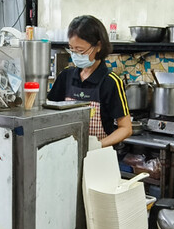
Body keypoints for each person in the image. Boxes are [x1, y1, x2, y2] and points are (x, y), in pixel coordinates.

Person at [47, 15, 132, 147]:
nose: (75, 54)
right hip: (67, 151)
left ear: (98, 46)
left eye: (80, 50)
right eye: (72, 49)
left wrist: (97, 145)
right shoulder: (66, 76)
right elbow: (49, 113)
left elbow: (126, 129)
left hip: (98, 155)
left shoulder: (110, 82)